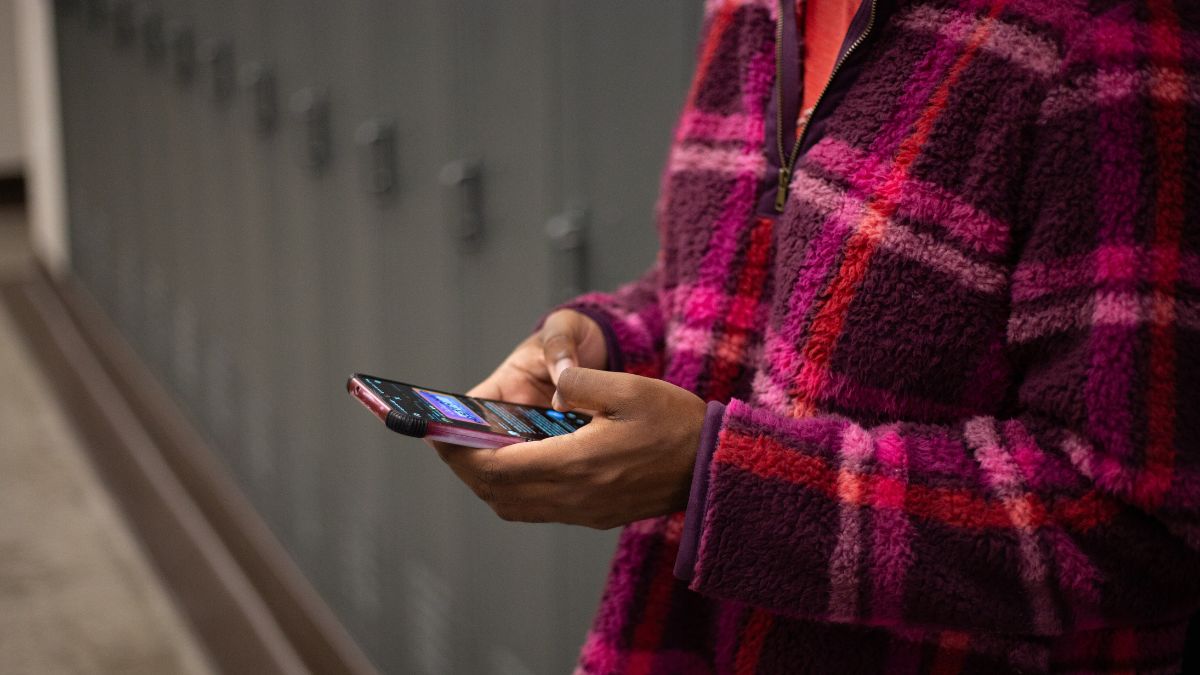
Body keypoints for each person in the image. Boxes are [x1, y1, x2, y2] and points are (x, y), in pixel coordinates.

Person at [433, 0, 1200, 671]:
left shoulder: (1105, 32)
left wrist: (719, 474)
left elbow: (1129, 523)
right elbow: (729, 288)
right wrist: (599, 342)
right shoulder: (755, 10)